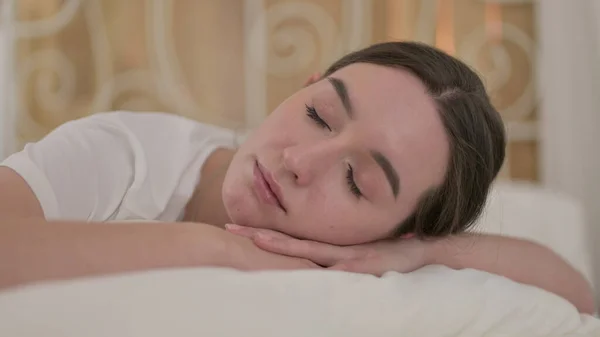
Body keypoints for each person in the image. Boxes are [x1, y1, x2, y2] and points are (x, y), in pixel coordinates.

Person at [0, 42, 594, 313]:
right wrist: (213, 249)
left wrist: (423, 253)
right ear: (304, 86)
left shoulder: (379, 255)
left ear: (394, 231)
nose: (298, 161)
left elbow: (574, 289)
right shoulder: (125, 154)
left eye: (358, 182)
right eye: (318, 114)